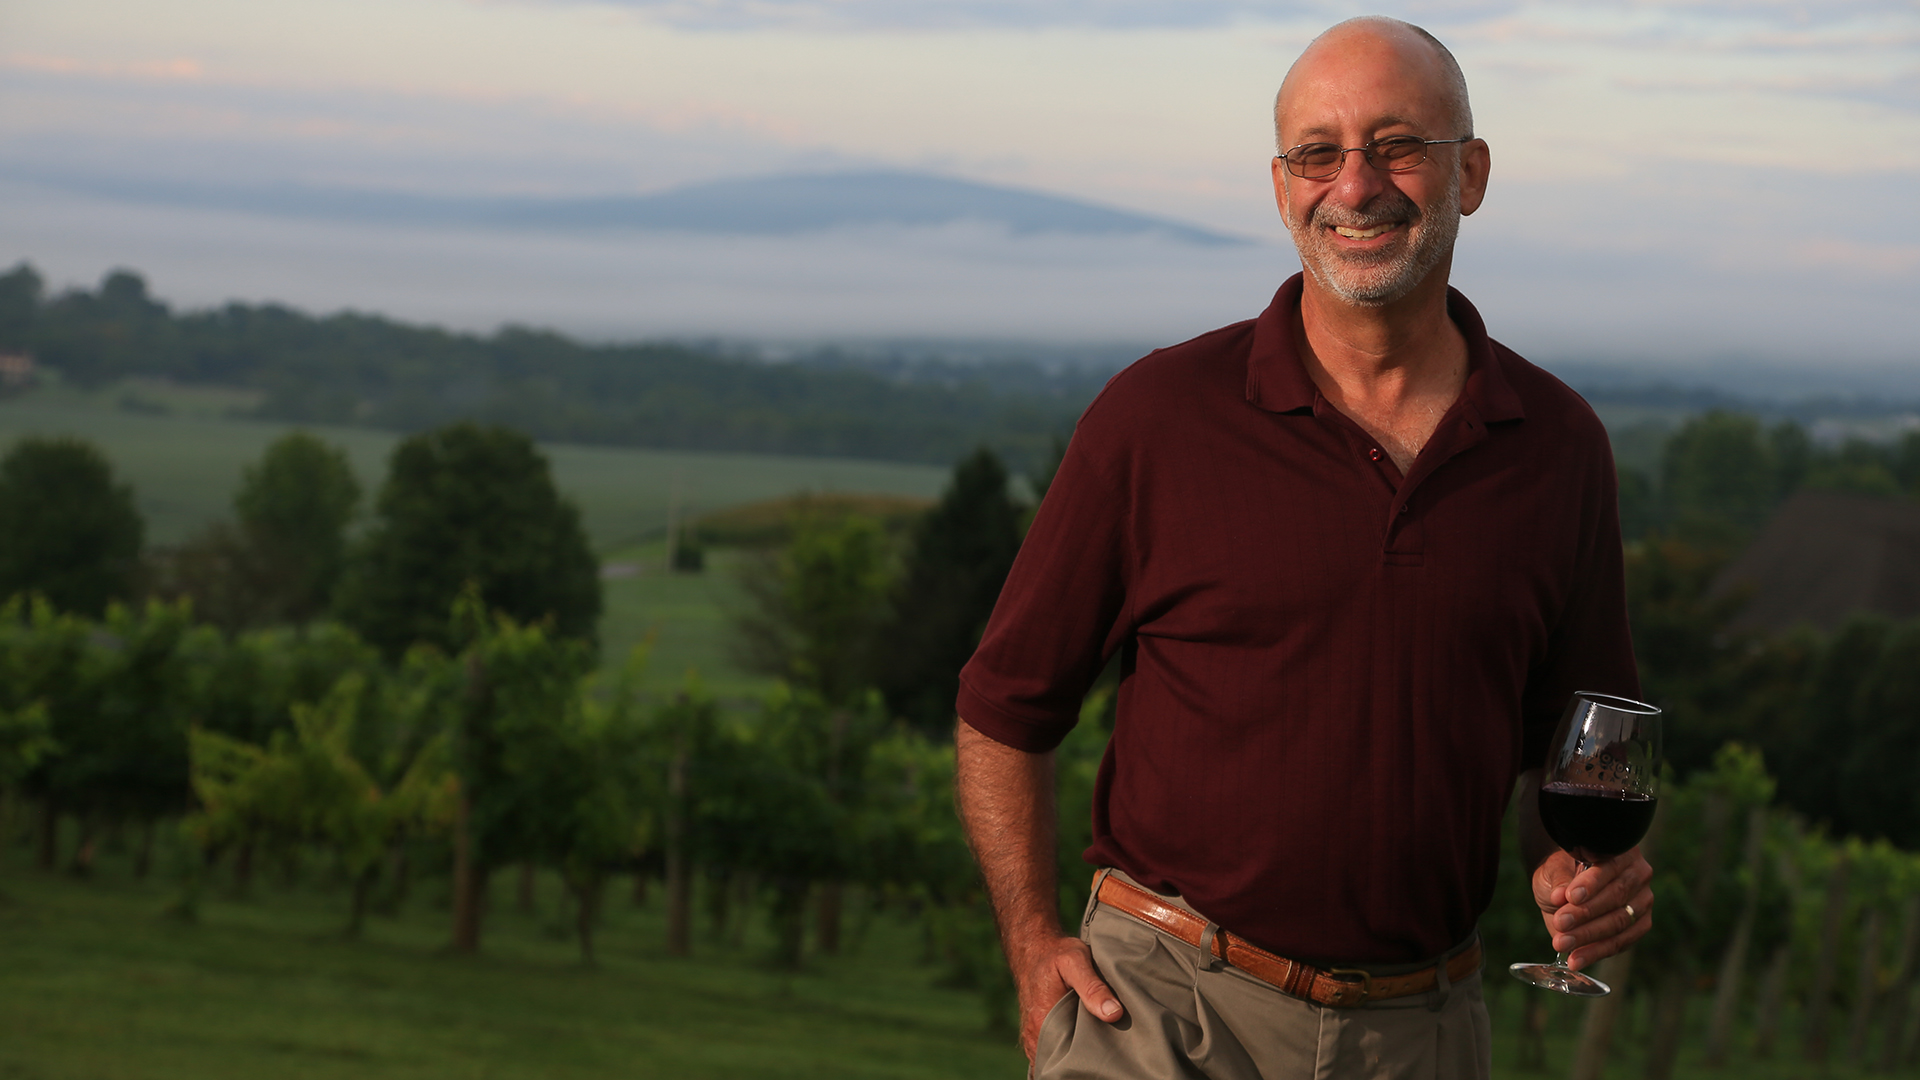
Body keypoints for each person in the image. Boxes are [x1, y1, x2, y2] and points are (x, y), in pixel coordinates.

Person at [953, 16, 1655, 1080]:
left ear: (1471, 174)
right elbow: (1005, 707)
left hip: (1422, 1031)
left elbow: (1577, 747)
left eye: (1398, 145)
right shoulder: (1157, 418)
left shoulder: (1559, 449)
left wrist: (1575, 870)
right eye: (1318, 154)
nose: (1356, 184)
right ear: (1283, 188)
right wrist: (1029, 945)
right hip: (1160, 1008)